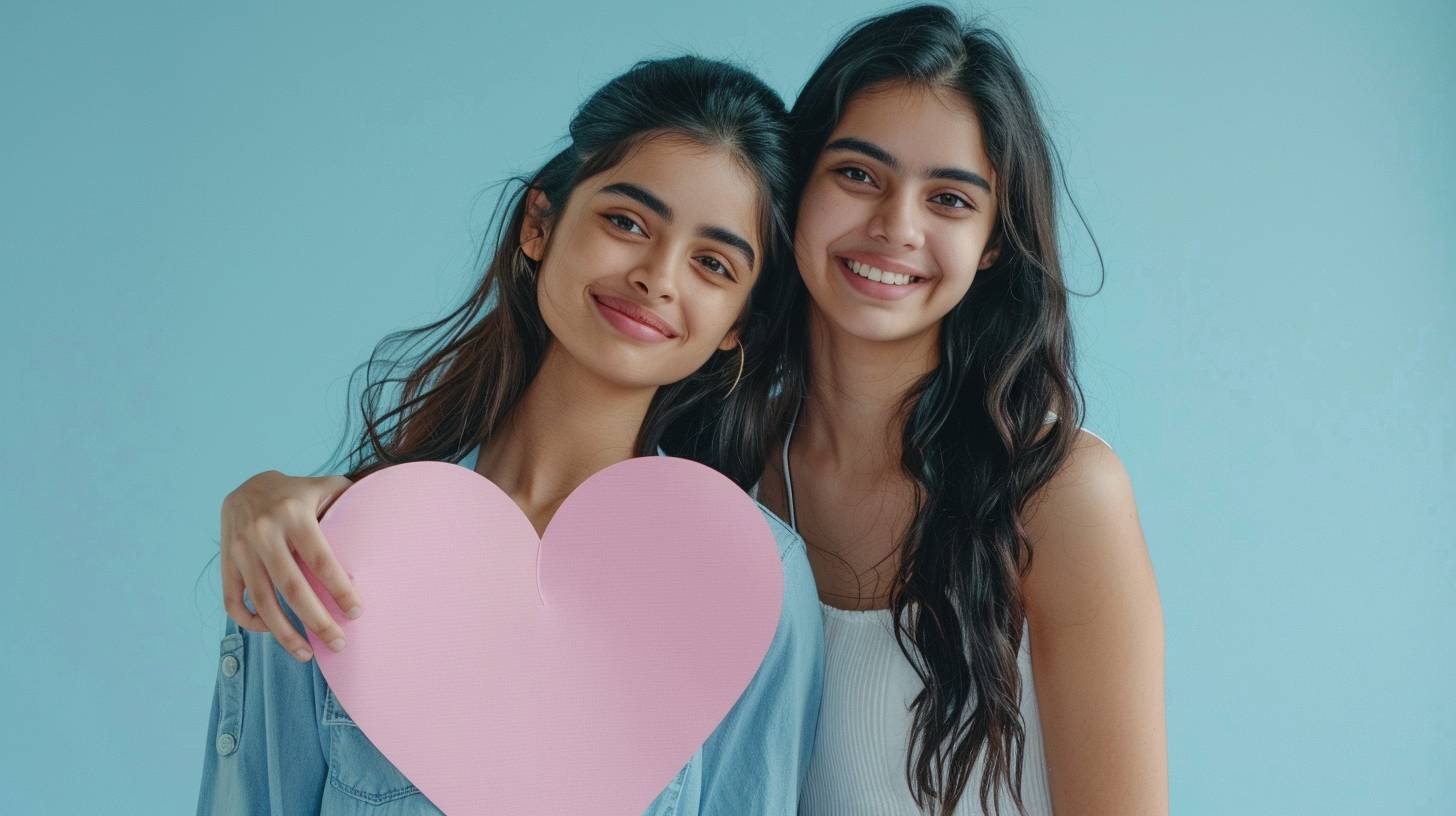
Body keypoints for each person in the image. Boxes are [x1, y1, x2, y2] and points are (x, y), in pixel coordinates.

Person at [221, 5, 1169, 814]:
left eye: (952, 199)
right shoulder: (728, 484)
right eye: (857, 174)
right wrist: (289, 502)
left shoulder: (1044, 496)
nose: (895, 226)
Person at [196, 54, 823, 815]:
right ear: (539, 225)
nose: (659, 275)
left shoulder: (749, 579)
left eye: (713, 264)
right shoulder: (335, 545)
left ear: (737, 328)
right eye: (627, 222)